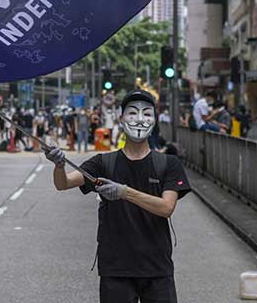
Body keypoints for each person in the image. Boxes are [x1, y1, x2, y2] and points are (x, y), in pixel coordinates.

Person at [44, 90, 190, 303]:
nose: (140, 119)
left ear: (155, 120)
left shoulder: (168, 164)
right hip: (116, 269)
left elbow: (166, 208)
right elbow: (63, 183)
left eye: (147, 114)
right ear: (121, 119)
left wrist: (124, 192)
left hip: (157, 268)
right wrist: (58, 165)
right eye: (132, 113)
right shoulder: (104, 162)